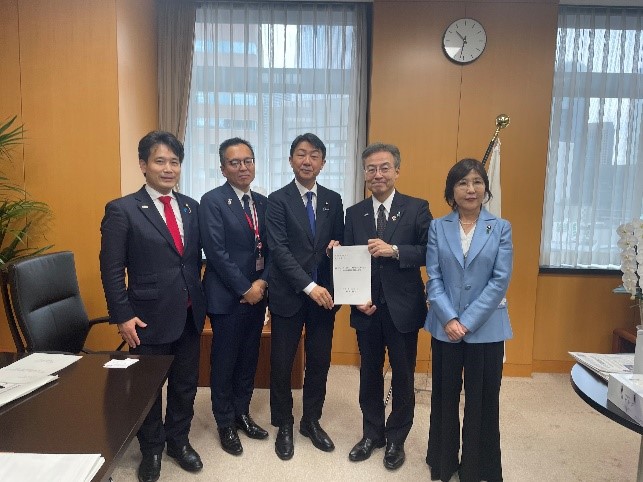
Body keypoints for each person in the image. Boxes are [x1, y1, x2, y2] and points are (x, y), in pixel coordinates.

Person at [99, 131, 206, 482]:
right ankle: (152, 448)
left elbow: (193, 258)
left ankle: (178, 441)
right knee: (147, 389)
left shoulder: (190, 206)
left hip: (189, 312)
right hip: (146, 317)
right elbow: (112, 268)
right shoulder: (122, 209)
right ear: (143, 165)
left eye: (174, 162)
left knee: (185, 384)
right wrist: (122, 315)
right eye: (160, 161)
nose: (168, 168)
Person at [344, 142, 432, 470]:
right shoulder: (354, 213)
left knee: (403, 375)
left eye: (384, 168)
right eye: (371, 169)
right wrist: (355, 297)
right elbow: (348, 261)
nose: (377, 174)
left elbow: (430, 251)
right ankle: (372, 434)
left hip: (403, 308)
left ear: (397, 170)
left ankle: (396, 438)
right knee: (369, 373)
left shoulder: (417, 208)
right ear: (364, 173)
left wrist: (395, 250)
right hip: (366, 308)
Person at [424, 158, 513, 482]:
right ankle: (443, 462)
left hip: (486, 329)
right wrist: (449, 318)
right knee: (444, 397)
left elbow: (500, 280)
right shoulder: (438, 227)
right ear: (452, 191)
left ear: (485, 188)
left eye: (477, 182)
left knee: (483, 400)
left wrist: (468, 321)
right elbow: (433, 276)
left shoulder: (500, 228)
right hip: (444, 327)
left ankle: (478, 467)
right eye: (462, 182)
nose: (470, 189)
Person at [265, 132, 344, 460]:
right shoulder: (277, 200)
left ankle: (311, 420)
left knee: (319, 361)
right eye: (301, 154)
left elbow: (339, 241)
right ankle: (284, 422)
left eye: (314, 155)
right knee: (282, 363)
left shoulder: (333, 200)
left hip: (325, 298)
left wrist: (337, 246)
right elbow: (279, 251)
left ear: (323, 163)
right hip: (290, 295)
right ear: (290, 160)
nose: (307, 160)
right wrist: (309, 287)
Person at [199, 138, 270, 456]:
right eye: (235, 162)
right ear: (223, 168)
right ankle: (225, 422)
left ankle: (242, 413)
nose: (243, 167)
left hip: (258, 294)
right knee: (225, 361)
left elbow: (273, 249)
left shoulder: (263, 203)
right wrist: (245, 288)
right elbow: (215, 252)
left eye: (248, 161)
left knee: (248, 358)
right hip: (227, 297)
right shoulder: (212, 201)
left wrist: (262, 284)